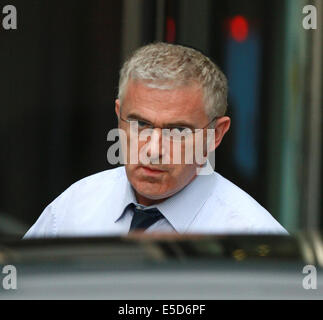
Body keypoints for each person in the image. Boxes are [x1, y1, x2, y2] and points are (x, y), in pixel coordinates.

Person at [24, 42, 287, 238]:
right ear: (118, 116)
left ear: (215, 135)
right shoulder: (73, 210)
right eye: (141, 124)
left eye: (178, 131)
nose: (153, 150)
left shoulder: (252, 239)